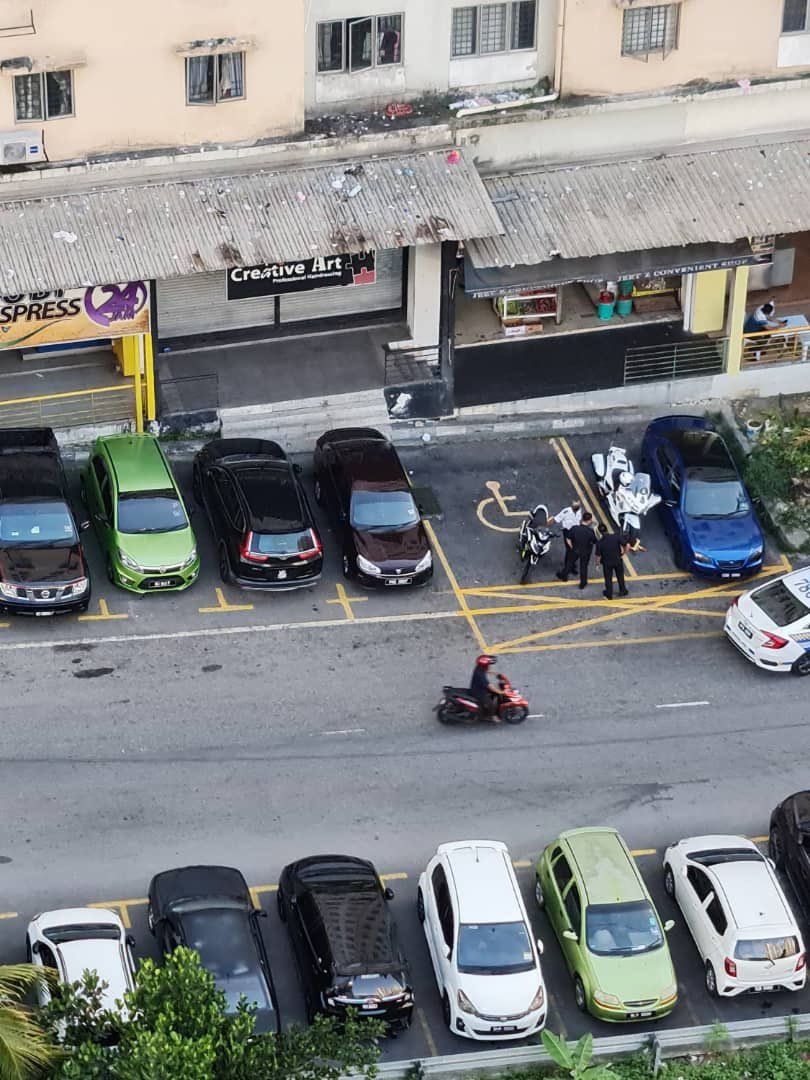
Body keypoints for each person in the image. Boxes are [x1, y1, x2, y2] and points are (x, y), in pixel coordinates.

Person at [557, 511, 597, 589]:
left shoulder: (575, 528)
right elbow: (595, 541)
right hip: (585, 552)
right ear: (589, 521)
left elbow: (568, 539)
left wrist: (572, 546)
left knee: (570, 563)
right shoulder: (590, 531)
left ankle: (564, 576)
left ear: (582, 519)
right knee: (584, 567)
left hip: (575, 549)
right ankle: (583, 583)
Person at [595, 522, 629, 600]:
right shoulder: (616, 537)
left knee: (608, 579)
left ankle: (609, 594)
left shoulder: (599, 543)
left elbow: (598, 556)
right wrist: (623, 553)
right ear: (607, 529)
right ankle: (623, 590)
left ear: (599, 532)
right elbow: (627, 545)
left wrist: (597, 564)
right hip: (618, 560)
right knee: (620, 576)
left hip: (607, 563)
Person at [469, 654, 506, 723]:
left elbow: (489, 671)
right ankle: (493, 716)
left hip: (479, 687)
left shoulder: (479, 668)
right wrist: (500, 692)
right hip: (478, 692)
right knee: (490, 704)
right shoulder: (480, 674)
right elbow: (489, 686)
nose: (489, 666)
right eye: (488, 665)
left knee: (494, 693)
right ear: (484, 666)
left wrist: (498, 674)